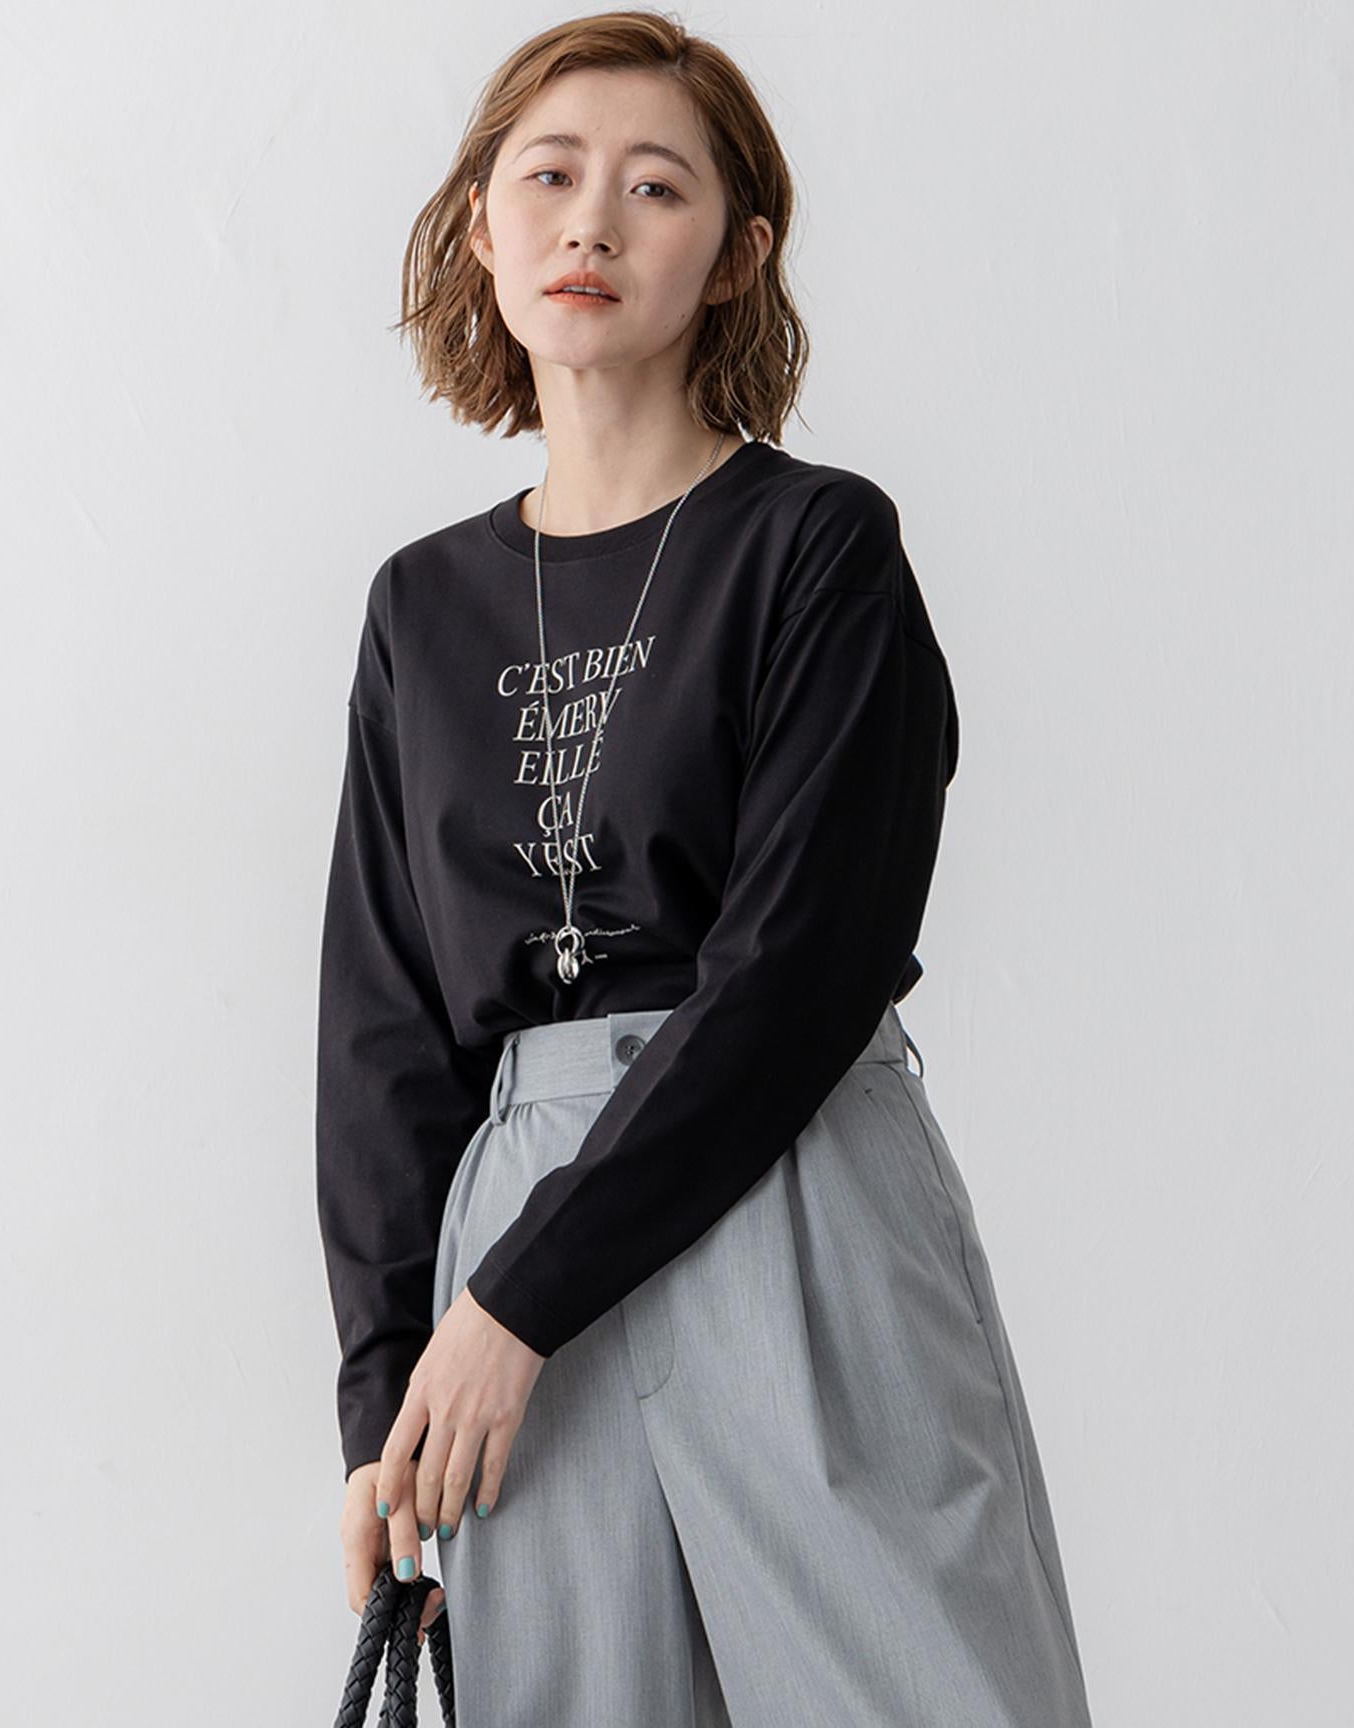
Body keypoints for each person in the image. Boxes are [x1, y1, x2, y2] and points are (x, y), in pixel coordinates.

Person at [316, 12, 1094, 1725]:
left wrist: (512, 1308)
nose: (593, 221)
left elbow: (804, 967)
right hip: (511, 1241)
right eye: (550, 175)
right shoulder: (421, 608)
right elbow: (383, 1029)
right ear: (480, 227)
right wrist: (386, 1408)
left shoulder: (817, 546)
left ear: (738, 256)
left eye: (656, 187)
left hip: (787, 1188)